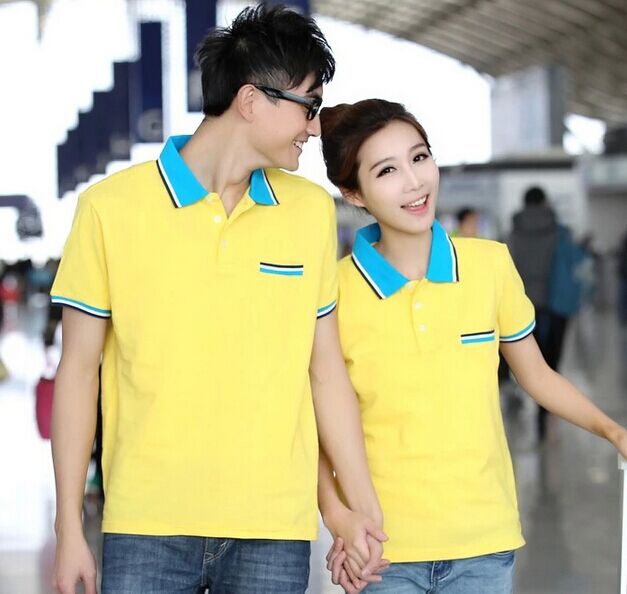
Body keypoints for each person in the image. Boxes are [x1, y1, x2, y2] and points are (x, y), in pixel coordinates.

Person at [50, 6, 384, 594]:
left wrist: (360, 511)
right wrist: (69, 526)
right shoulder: (109, 209)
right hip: (147, 525)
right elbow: (78, 373)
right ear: (251, 100)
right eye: (309, 106)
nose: (314, 128)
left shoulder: (309, 212)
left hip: (273, 528)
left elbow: (325, 373)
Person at [316, 99, 627, 593]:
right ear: (354, 193)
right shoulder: (333, 289)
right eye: (387, 170)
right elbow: (317, 421)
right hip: (381, 549)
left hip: (483, 544)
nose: (415, 182)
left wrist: (612, 430)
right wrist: (336, 514)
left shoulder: (490, 265)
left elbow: (536, 375)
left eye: (420, 158)